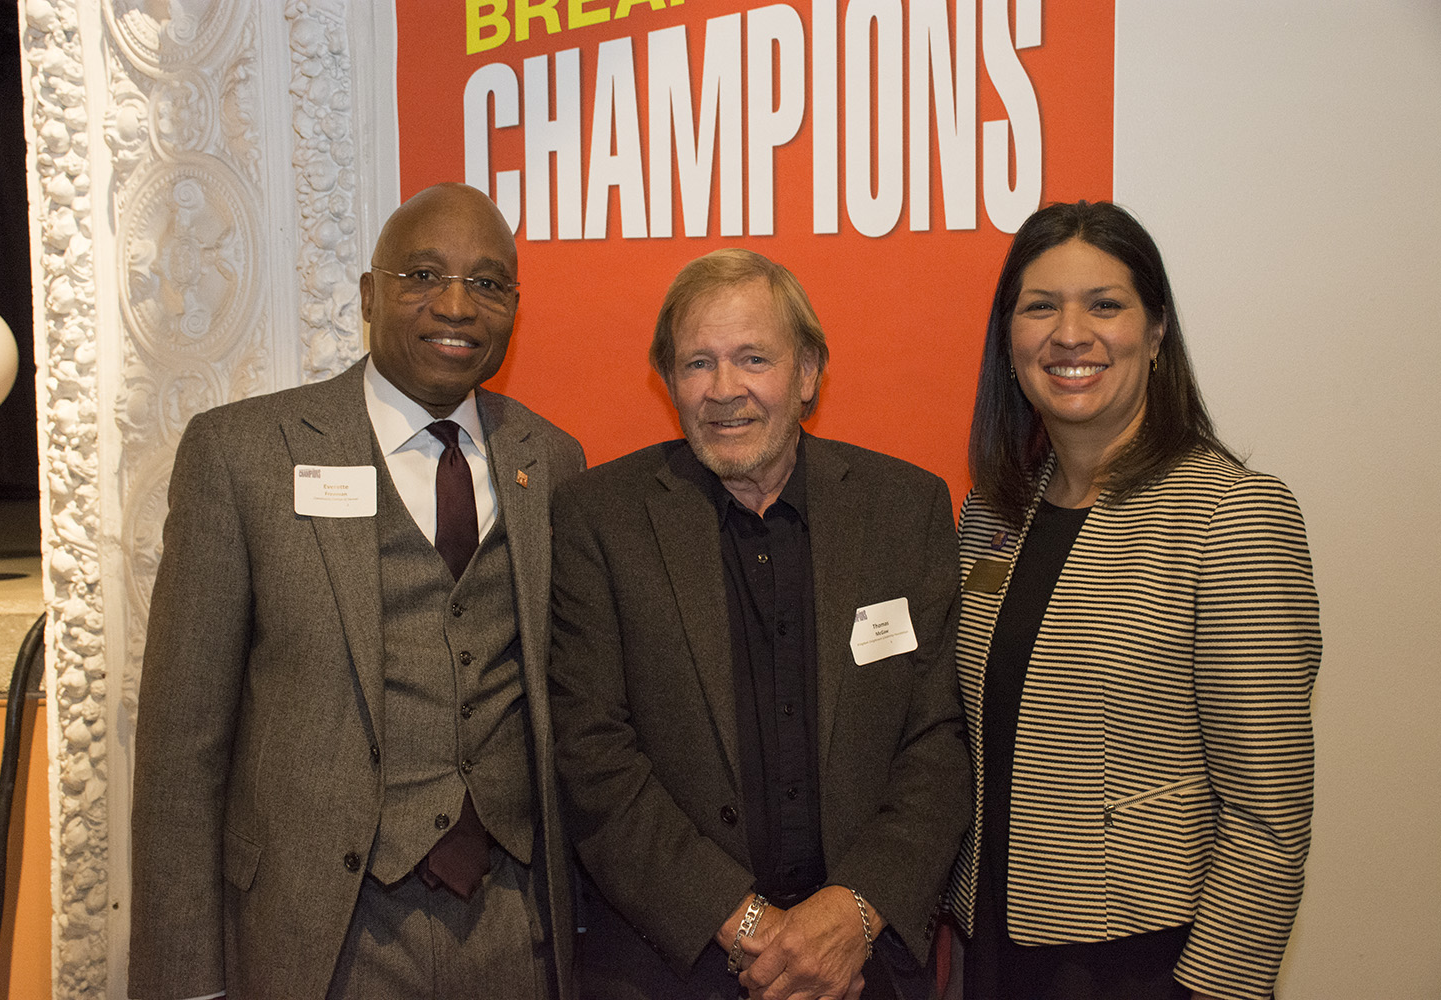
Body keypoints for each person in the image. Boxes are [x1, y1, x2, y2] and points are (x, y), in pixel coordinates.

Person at [128, 183, 585, 1000]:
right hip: (325, 934)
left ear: (514, 306)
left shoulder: (550, 458)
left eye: (486, 283)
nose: (455, 305)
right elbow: (180, 750)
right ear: (372, 295)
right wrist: (182, 982)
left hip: (518, 930)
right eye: (422, 275)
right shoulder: (243, 455)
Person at [548, 248, 971, 1000]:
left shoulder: (905, 511)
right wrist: (749, 927)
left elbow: (937, 741)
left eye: (752, 358)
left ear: (808, 374)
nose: (724, 390)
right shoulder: (599, 519)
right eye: (697, 363)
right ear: (668, 381)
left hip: (865, 971)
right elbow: (593, 757)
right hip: (672, 969)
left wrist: (853, 915)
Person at [947, 200, 1320, 1000]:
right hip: (994, 947)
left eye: (1105, 305)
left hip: (1144, 962)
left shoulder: (1232, 516)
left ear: (1155, 334)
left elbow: (1269, 817)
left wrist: (1211, 990)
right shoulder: (991, 515)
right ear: (1007, 338)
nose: (1070, 334)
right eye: (1040, 306)